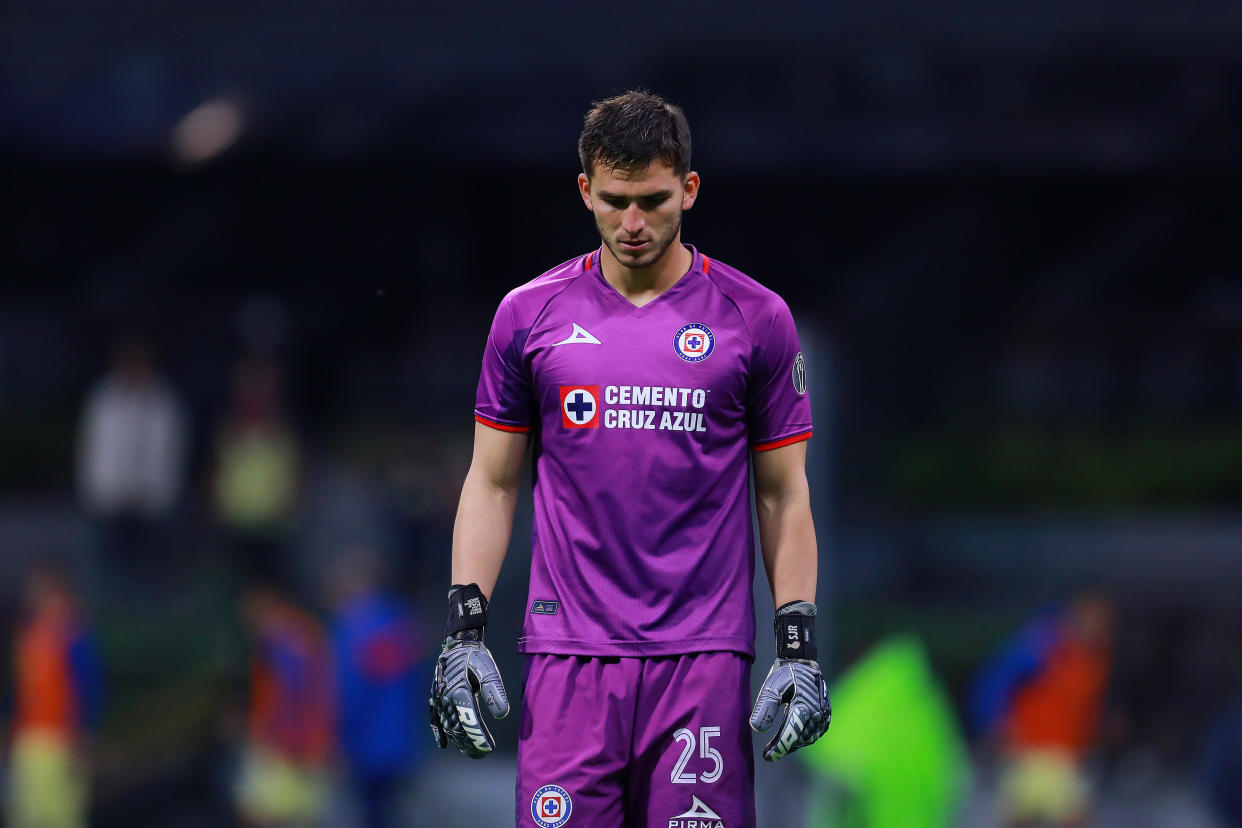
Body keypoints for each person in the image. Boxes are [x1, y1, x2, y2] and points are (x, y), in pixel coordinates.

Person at [428, 90, 831, 828]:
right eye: (615, 201)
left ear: (689, 188)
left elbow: (783, 493)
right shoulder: (528, 315)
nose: (634, 223)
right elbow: (490, 481)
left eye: (653, 200)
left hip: (702, 661)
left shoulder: (757, 318)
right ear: (586, 190)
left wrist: (797, 642)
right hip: (567, 658)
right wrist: (464, 632)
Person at [970, 591, 1115, 828]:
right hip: (1031, 754)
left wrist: (1099, 728)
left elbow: (1082, 706)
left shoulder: (1094, 656)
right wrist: (994, 722)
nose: (1100, 625)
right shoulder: (1045, 645)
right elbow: (997, 679)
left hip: (1066, 757)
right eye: (1095, 616)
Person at [327, 551, 429, 828]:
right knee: (393, 811)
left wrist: (336, 739)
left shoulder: (351, 630)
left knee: (370, 813)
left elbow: (348, 693)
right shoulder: (404, 623)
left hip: (364, 744)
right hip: (403, 740)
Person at [7, 565, 102, 828]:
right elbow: (21, 691)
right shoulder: (29, 635)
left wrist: (83, 735)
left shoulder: (73, 637)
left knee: (60, 813)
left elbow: (88, 688)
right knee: (26, 812)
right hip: (29, 739)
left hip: (59, 740)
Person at [234, 584, 335, 828]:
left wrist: (282, 737)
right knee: (298, 814)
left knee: (264, 812)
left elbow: (294, 692)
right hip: (305, 741)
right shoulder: (303, 631)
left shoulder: (284, 640)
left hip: (287, 744)